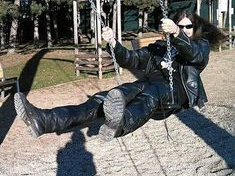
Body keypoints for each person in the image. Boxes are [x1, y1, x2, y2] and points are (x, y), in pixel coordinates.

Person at [14, 10, 226, 141]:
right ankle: (43, 121)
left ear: (194, 28)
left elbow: (195, 56)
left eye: (188, 26)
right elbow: (131, 59)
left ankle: (120, 123)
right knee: (107, 97)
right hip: (149, 85)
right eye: (180, 26)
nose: (184, 29)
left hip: (175, 94)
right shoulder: (160, 47)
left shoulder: (201, 46)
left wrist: (178, 35)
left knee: (152, 92)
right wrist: (114, 43)